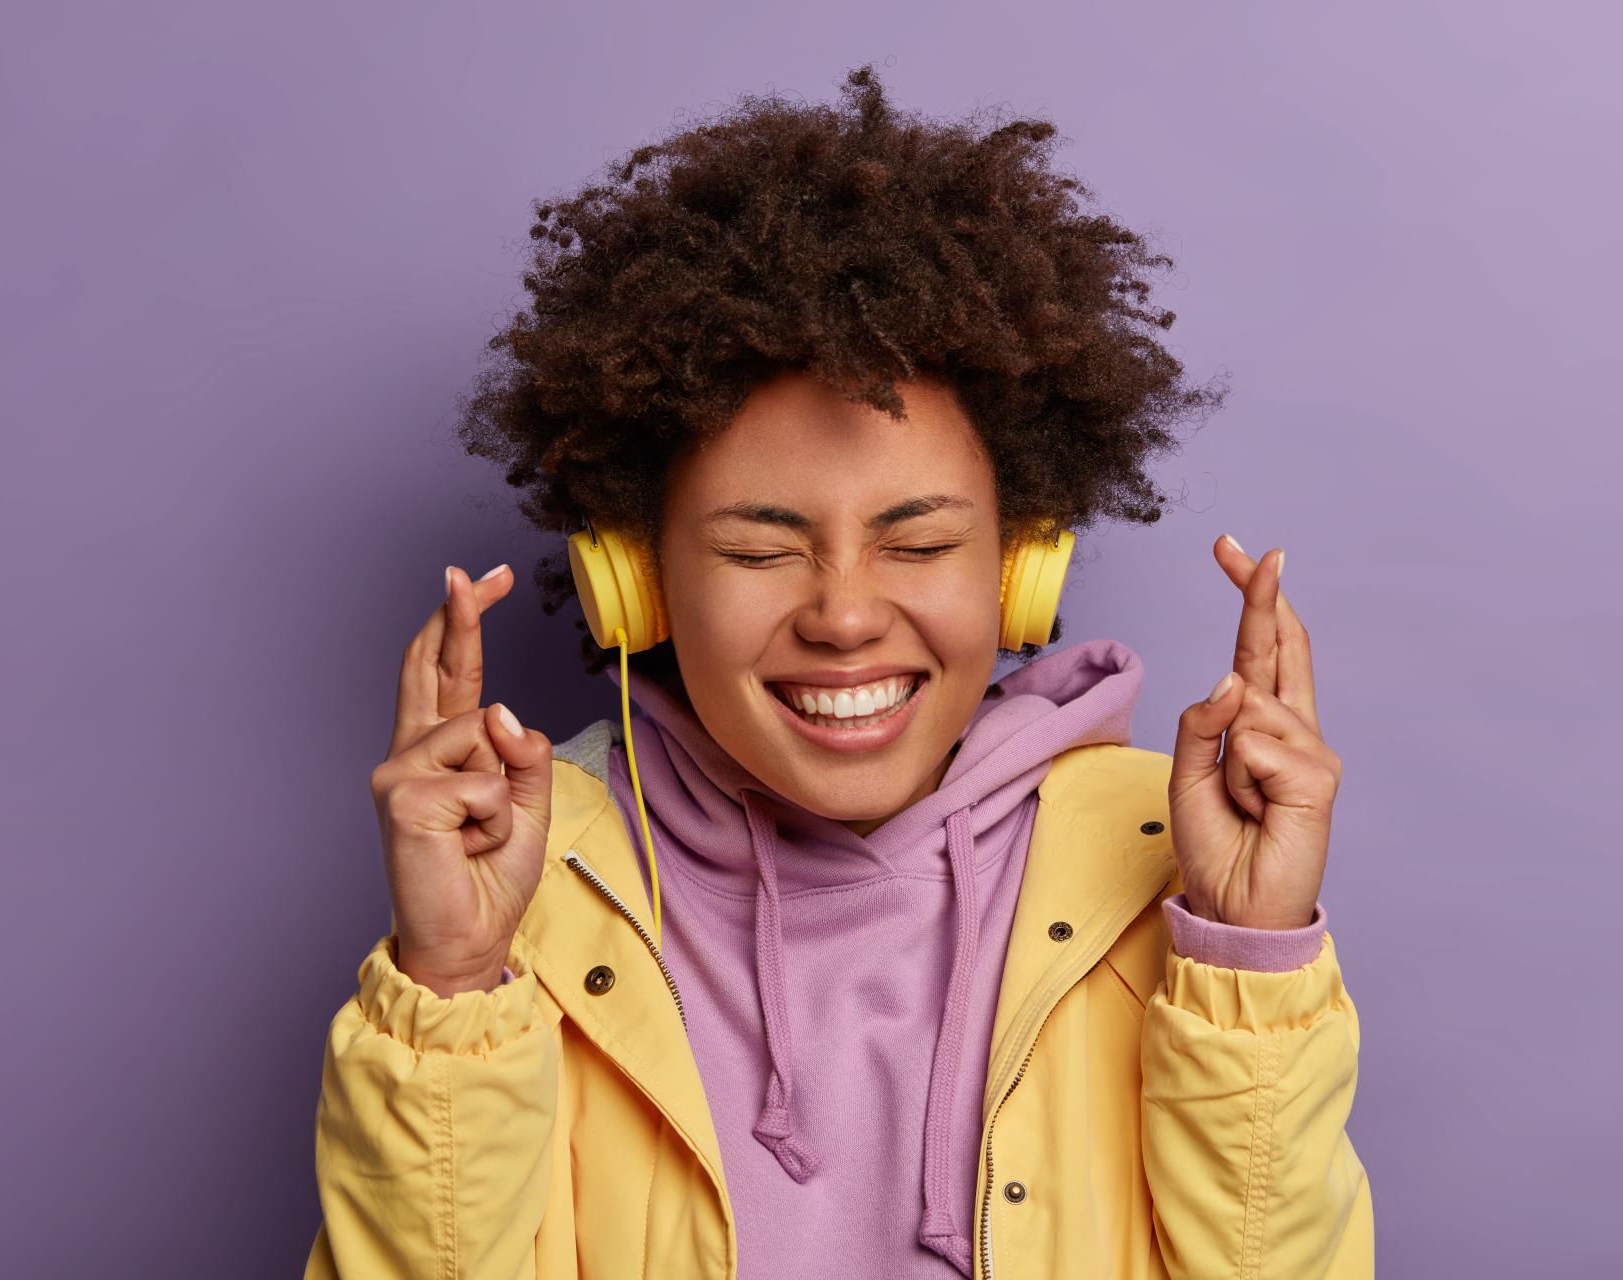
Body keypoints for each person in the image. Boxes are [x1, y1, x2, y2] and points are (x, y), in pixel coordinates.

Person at [304, 65, 1372, 1279]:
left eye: (918, 543)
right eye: (762, 549)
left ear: (1020, 565)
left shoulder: (1172, 874)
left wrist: (1248, 957)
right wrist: (448, 989)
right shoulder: (531, 885)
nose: (848, 615)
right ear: (634, 583)